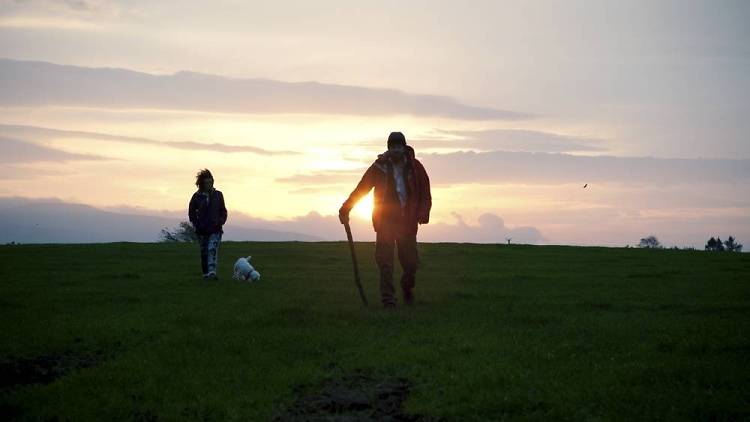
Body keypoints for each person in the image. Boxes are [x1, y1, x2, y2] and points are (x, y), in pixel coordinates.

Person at [339, 132, 432, 308]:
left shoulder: (416, 167)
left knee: (411, 263)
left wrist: (423, 212)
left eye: (399, 147)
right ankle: (388, 300)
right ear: (388, 149)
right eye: (393, 147)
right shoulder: (378, 167)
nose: (396, 150)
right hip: (385, 221)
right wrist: (346, 207)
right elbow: (362, 188)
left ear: (404, 148)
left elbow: (425, 192)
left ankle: (407, 287)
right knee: (385, 262)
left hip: (407, 221)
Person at [188, 169, 227, 280]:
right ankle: (206, 274)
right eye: (207, 182)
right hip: (202, 230)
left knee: (212, 249)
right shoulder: (196, 197)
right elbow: (191, 212)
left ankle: (212, 273)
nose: (209, 184)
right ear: (202, 183)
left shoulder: (218, 195)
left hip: (216, 229)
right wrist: (197, 224)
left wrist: (220, 221)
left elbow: (223, 211)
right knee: (204, 252)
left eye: (211, 182)